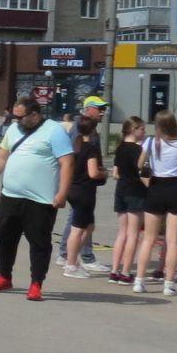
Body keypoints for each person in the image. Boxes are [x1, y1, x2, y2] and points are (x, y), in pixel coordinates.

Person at [0, 97, 74, 302]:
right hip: (11, 196)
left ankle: (36, 283)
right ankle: (4, 276)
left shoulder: (54, 131)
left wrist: (62, 193)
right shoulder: (14, 130)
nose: (16, 121)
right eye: (14, 116)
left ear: (34, 114)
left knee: (39, 242)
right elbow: (1, 157)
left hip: (41, 200)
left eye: (20, 117)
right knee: (4, 237)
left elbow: (67, 163)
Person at [132, 111, 177, 296]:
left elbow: (139, 164)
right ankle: (169, 284)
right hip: (175, 188)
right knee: (173, 240)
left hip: (156, 188)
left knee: (149, 239)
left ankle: (139, 280)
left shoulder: (151, 142)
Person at [59, 96, 109, 271]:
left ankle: (68, 254)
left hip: (80, 184)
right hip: (82, 185)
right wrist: (101, 172)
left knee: (80, 221)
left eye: (104, 108)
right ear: (88, 109)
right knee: (80, 223)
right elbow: (76, 159)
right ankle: (77, 257)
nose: (103, 112)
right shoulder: (82, 131)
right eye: (99, 108)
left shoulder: (86, 129)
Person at [107, 117, 149, 286]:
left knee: (122, 233)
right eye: (142, 129)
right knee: (133, 234)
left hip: (121, 190)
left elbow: (115, 173)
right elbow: (142, 172)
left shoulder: (120, 148)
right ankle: (126, 272)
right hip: (136, 191)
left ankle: (114, 270)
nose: (145, 133)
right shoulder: (138, 150)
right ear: (134, 130)